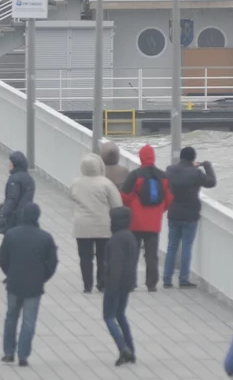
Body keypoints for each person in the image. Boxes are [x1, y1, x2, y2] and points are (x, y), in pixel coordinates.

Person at [0, 203, 58, 368]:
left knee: (11, 317)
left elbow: (2, 258)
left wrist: (9, 273)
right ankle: (23, 355)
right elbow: (52, 263)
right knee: (29, 321)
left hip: (14, 283)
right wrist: (42, 277)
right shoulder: (45, 237)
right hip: (34, 285)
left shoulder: (11, 234)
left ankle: (8, 352)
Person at [120, 144, 173, 292]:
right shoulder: (163, 176)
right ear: (154, 157)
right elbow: (169, 198)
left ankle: (131, 283)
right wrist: (160, 210)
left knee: (133, 253)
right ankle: (151, 284)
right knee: (152, 255)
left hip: (136, 221)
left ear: (141, 157)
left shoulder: (135, 175)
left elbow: (124, 196)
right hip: (154, 221)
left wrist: (132, 207)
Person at [164, 145, 217, 289]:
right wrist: (207, 167)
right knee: (187, 246)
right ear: (193, 159)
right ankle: (183, 279)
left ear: (181, 157)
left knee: (172, 246)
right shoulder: (196, 173)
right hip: (190, 214)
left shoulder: (170, 170)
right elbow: (212, 182)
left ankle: (167, 279)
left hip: (173, 212)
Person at [71, 153, 124, 293]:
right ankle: (102, 284)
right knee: (103, 257)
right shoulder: (106, 183)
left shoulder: (76, 183)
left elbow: (73, 197)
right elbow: (117, 204)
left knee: (85, 258)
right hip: (103, 225)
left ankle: (87, 286)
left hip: (82, 226)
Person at [104, 207, 138, 365]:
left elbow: (115, 264)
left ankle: (123, 347)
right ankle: (131, 349)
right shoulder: (130, 236)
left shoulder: (117, 239)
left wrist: (110, 286)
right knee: (120, 315)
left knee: (109, 316)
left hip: (115, 284)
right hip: (127, 282)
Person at [0, 151, 36, 234]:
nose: (9, 165)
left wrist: (2, 214)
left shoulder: (14, 179)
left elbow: (11, 199)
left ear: (15, 164)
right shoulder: (29, 179)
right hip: (25, 216)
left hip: (14, 218)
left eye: (11, 163)